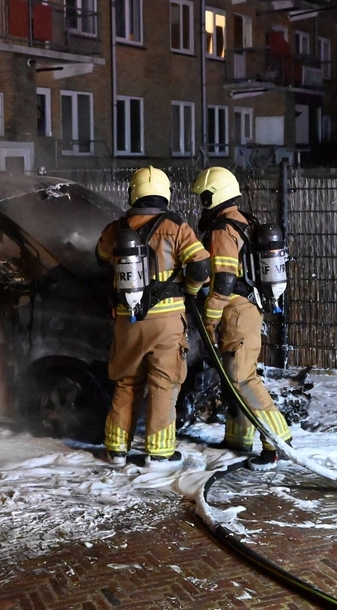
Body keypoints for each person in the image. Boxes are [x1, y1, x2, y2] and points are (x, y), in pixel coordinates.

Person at [96, 167, 210, 467]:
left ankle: (116, 450)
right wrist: (191, 289)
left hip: (127, 320)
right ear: (165, 192)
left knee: (126, 383)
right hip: (167, 322)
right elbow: (200, 267)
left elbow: (99, 258)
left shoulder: (116, 229)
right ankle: (158, 453)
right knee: (164, 383)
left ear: (133, 192)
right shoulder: (176, 227)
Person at [191, 166, 292, 470]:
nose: (201, 204)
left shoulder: (223, 230)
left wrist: (209, 319)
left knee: (242, 379)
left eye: (203, 197)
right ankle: (238, 439)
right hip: (243, 310)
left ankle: (277, 442)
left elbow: (223, 280)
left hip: (234, 311)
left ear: (213, 196)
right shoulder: (243, 221)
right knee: (231, 378)